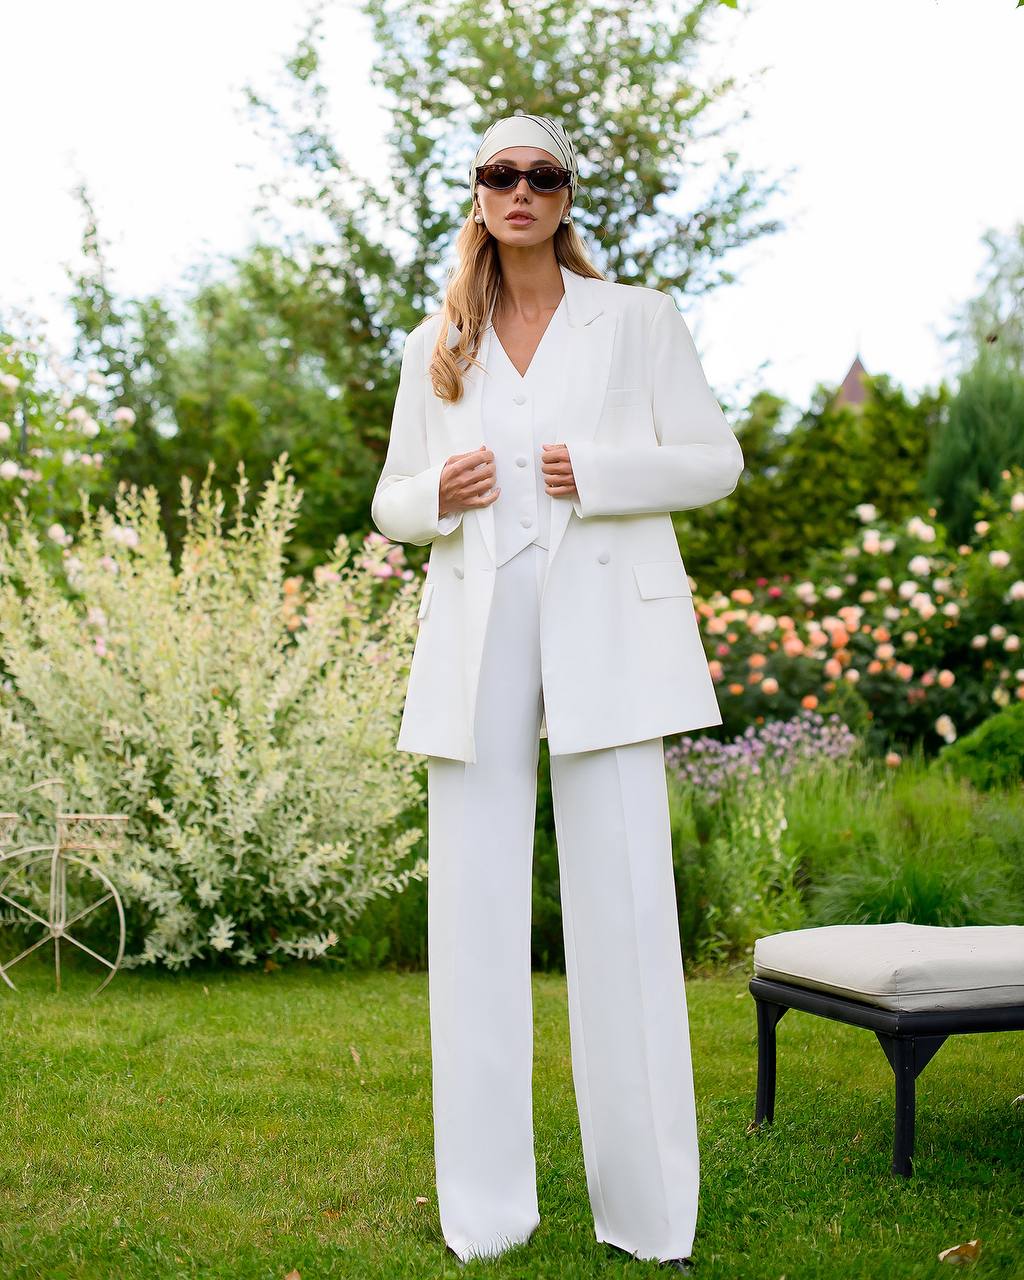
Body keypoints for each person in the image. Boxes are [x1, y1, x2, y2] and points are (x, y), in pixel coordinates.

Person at [371, 112, 744, 1271]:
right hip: (477, 630)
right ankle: (486, 1211)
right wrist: (440, 486)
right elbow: (390, 499)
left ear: (567, 193)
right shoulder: (439, 338)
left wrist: (605, 471)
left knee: (627, 909)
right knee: (472, 916)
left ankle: (648, 1212)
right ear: (476, 192)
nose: (519, 190)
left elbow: (714, 459)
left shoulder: (638, 320)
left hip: (608, 639)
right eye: (498, 174)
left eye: (540, 175)